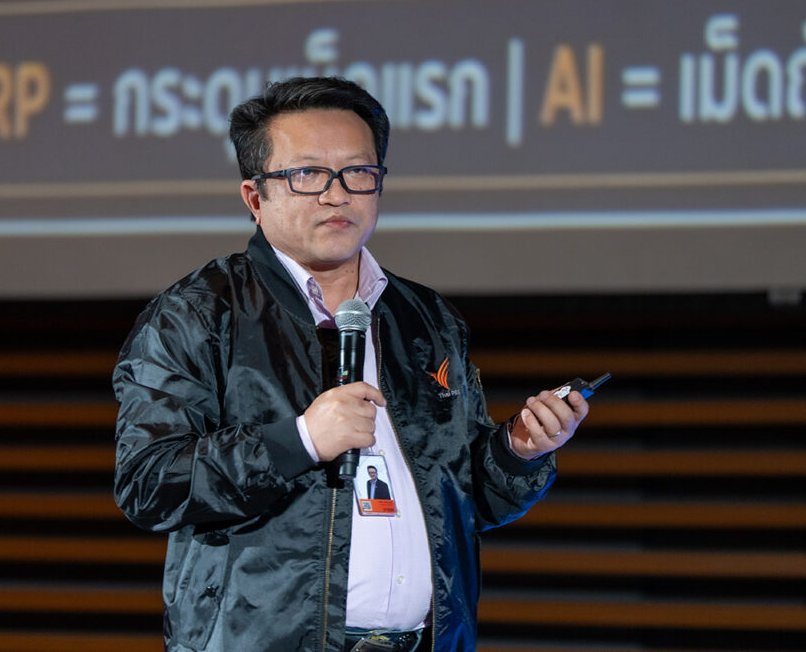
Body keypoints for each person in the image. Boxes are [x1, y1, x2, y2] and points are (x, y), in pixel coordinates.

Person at [113, 77, 588, 652]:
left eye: (358, 172)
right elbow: (148, 484)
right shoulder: (197, 313)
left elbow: (464, 500)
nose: (336, 194)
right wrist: (300, 441)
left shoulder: (427, 317)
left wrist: (517, 452)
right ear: (255, 197)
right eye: (308, 174)